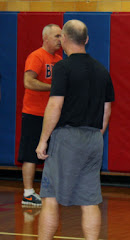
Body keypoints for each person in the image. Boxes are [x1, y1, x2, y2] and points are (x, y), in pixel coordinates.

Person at [35, 19, 114, 240]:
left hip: (67, 138)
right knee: (90, 201)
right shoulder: (102, 70)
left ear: (64, 39)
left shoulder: (63, 67)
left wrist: (43, 140)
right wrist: (96, 135)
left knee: (50, 197)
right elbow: (107, 110)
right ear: (86, 40)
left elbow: (55, 105)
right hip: (94, 139)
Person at [18, 24, 62, 206]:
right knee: (30, 154)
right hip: (34, 114)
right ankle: (28, 193)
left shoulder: (59, 59)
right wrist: (53, 87)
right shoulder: (37, 56)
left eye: (61, 36)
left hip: (52, 115)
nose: (60, 40)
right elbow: (28, 82)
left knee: (51, 154)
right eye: (56, 36)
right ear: (45, 38)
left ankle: (49, 190)